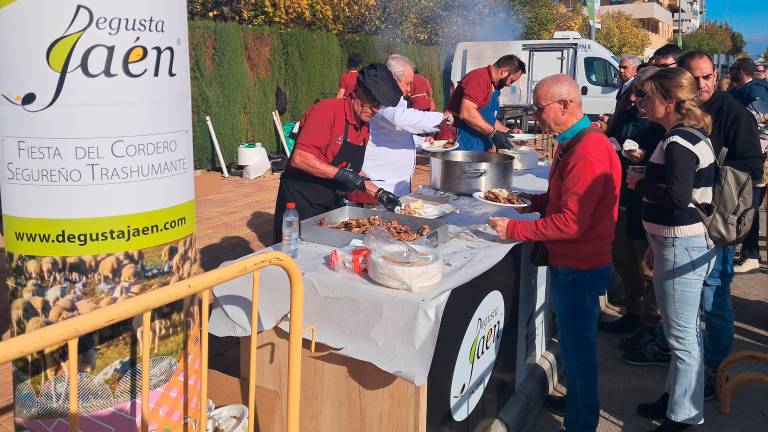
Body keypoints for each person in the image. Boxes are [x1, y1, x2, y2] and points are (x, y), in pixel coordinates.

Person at [489, 75, 621, 432]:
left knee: (578, 353)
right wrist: (534, 202)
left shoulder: (589, 149)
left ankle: (581, 422)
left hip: (579, 266)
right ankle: (578, 403)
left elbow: (571, 223)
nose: (534, 116)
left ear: (565, 106)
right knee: (576, 347)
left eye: (538, 108)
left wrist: (514, 229)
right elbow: (564, 201)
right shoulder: (571, 141)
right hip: (574, 263)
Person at [654, 51, 764, 398]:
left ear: (716, 77)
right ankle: (688, 369)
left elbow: (753, 170)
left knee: (715, 298)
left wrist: (711, 173)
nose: (702, 84)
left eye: (707, 77)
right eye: (695, 77)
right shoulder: (685, 114)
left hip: (716, 224)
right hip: (686, 224)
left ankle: (713, 369)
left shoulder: (733, 113)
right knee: (687, 307)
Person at [627, 67, 717, 432]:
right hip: (675, 243)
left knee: (682, 337)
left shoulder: (679, 141)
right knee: (681, 331)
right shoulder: (683, 136)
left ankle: (683, 416)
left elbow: (680, 197)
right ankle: (675, 399)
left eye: (648, 97)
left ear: (669, 101)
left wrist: (641, 181)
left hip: (682, 245)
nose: (642, 103)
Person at [273, 63, 403, 243]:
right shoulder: (326, 111)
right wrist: (342, 175)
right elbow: (300, 158)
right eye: (372, 102)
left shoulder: (364, 126)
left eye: (379, 105)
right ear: (357, 91)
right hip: (300, 202)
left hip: (330, 203)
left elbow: (351, 171)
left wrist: (380, 193)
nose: (375, 109)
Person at [599, 66, 667, 335]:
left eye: (643, 93)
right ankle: (632, 311)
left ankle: (650, 322)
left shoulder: (663, 124)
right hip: (620, 199)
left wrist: (643, 158)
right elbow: (611, 140)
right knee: (623, 259)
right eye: (635, 92)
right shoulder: (625, 116)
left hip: (647, 202)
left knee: (647, 264)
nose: (636, 98)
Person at [362, 55, 449, 197]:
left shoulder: (398, 100)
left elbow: (398, 133)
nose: (409, 89)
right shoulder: (381, 99)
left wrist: (422, 142)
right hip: (379, 185)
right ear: (394, 77)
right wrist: (441, 118)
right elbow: (399, 119)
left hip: (398, 184)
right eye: (407, 83)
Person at [728, 57, 768, 274]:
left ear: (740, 71)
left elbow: (760, 120)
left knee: (750, 205)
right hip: (756, 157)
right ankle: (749, 253)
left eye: (733, 69)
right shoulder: (749, 89)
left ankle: (752, 254)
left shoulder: (754, 91)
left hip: (758, 158)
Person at [440, 55, 526, 151]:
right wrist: (493, 133)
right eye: (511, 81)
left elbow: (488, 120)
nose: (510, 85)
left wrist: (510, 133)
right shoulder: (479, 78)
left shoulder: (492, 86)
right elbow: (467, 113)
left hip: (477, 147)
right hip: (460, 144)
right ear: (504, 71)